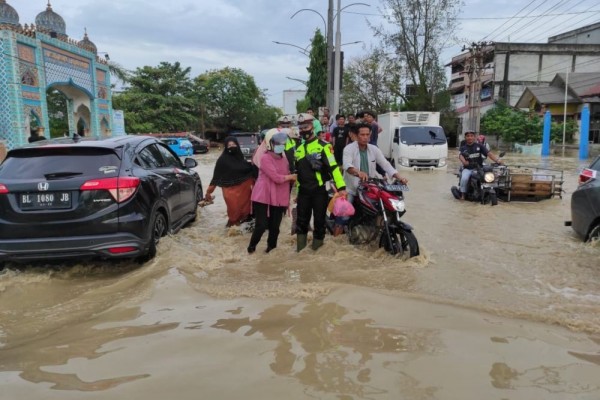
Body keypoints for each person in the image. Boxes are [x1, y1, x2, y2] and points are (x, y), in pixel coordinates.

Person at [294, 113, 347, 251]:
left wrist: (341, 187)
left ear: (313, 127)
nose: (303, 130)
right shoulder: (298, 149)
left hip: (319, 192)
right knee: (301, 223)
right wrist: (297, 193)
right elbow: (298, 175)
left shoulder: (324, 146)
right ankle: (300, 252)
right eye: (301, 127)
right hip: (304, 193)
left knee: (319, 222)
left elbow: (334, 167)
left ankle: (317, 251)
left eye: (306, 126)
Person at [247, 130, 297, 254]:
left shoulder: (284, 159)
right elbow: (276, 177)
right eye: (278, 143)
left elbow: (286, 175)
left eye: (283, 143)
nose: (281, 145)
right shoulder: (265, 158)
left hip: (279, 196)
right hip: (263, 196)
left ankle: (271, 250)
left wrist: (292, 177)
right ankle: (251, 248)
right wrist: (291, 177)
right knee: (261, 225)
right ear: (270, 144)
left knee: (275, 227)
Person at [343, 122, 408, 204]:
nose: (365, 137)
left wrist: (400, 178)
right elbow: (347, 165)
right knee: (345, 214)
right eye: (362, 135)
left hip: (370, 187)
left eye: (367, 134)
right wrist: (358, 173)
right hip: (352, 188)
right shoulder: (349, 149)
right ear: (356, 136)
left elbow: (386, 164)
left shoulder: (374, 149)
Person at [204, 136, 256, 227]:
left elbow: (251, 173)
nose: (232, 147)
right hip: (230, 192)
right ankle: (229, 231)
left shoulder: (241, 159)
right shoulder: (222, 160)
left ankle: (237, 236)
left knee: (245, 212)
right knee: (233, 213)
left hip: (244, 192)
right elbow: (216, 178)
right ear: (226, 147)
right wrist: (208, 192)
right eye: (229, 145)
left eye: (234, 144)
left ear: (237, 145)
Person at [457, 131, 503, 200]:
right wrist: (464, 162)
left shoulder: (480, 146)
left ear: (474, 137)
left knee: (490, 175)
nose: (470, 137)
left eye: (471, 136)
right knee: (464, 178)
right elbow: (460, 156)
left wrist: (497, 160)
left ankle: (492, 190)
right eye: (468, 136)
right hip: (468, 169)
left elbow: (489, 154)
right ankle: (463, 195)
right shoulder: (463, 148)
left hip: (479, 168)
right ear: (465, 137)